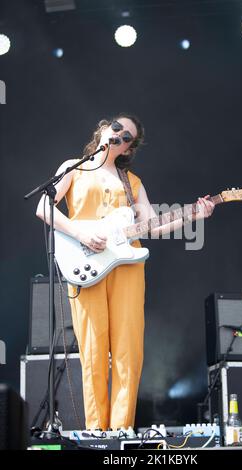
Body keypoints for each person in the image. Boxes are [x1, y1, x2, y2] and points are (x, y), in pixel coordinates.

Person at [36, 113, 215, 431]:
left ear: (129, 149)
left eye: (128, 136)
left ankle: (120, 429)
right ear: (104, 130)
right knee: (93, 348)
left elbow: (153, 226)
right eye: (116, 128)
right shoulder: (72, 168)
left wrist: (193, 216)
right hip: (87, 264)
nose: (120, 135)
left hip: (127, 267)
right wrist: (80, 234)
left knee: (127, 349)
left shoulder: (131, 183)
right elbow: (43, 208)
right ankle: (96, 431)